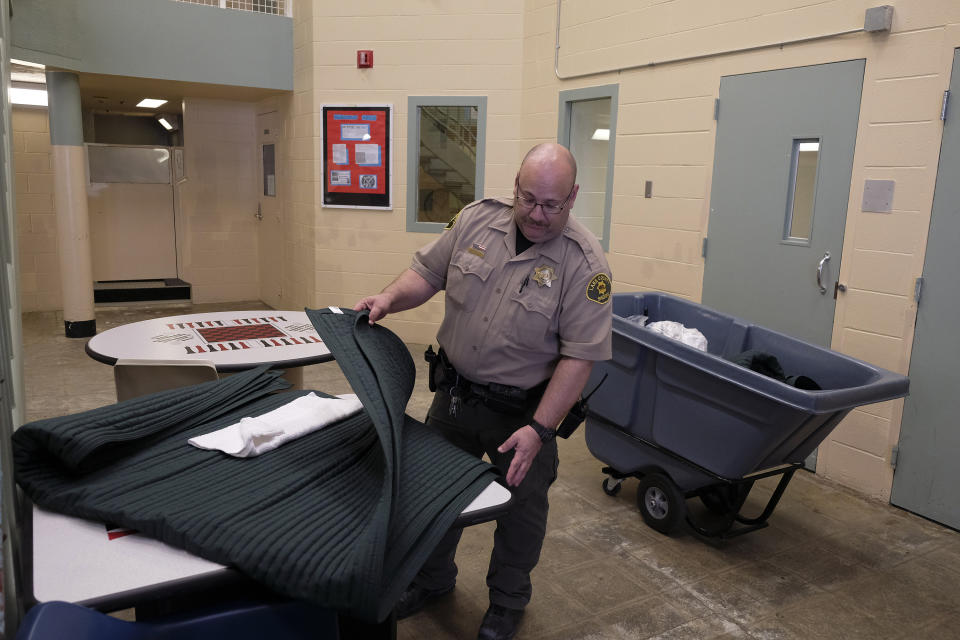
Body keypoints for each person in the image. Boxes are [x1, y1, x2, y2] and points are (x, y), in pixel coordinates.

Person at [354, 143, 612, 640]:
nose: (536, 214)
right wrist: (389, 297)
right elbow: (426, 273)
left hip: (523, 415)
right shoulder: (476, 220)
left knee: (520, 511)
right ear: (515, 185)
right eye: (528, 198)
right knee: (433, 496)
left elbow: (580, 357)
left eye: (551, 205)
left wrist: (540, 430)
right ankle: (432, 580)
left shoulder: (585, 265)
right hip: (454, 396)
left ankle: (507, 604)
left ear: (573, 197)